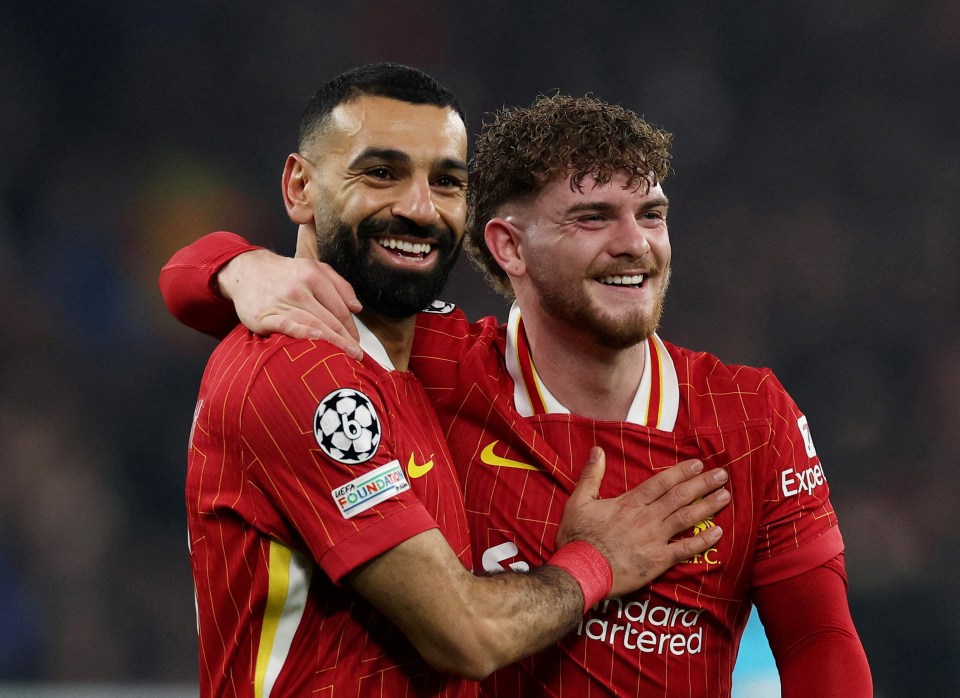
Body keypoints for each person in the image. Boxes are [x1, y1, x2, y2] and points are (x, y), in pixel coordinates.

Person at [162, 93, 873, 696]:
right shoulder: (433, 369)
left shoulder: (748, 414)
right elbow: (200, 288)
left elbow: (820, 643)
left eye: (651, 215)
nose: (636, 244)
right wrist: (239, 267)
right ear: (508, 246)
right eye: (592, 218)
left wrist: (229, 269)